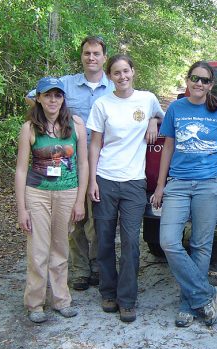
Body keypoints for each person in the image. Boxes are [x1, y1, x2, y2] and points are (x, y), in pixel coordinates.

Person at [150, 61, 217, 328]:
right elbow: (167, 148)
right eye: (194, 79)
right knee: (169, 241)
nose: (199, 84)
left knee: (201, 245)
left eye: (205, 80)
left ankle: (189, 304)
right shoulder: (176, 108)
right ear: (187, 80)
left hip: (210, 183)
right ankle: (206, 293)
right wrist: (160, 185)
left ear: (211, 84)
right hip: (178, 183)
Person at [26, 36, 115, 291]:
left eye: (96, 53)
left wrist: (153, 119)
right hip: (68, 161)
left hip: (103, 162)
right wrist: (53, 121)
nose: (91, 58)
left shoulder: (113, 87)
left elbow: (137, 107)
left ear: (104, 57)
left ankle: (98, 264)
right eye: (87, 53)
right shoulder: (65, 84)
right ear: (82, 56)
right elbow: (32, 96)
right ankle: (79, 269)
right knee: (75, 216)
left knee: (98, 217)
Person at [87, 55, 165, 323]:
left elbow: (162, 117)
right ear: (110, 77)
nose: (122, 77)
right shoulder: (102, 104)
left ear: (134, 71)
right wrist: (91, 181)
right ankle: (108, 292)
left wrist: (154, 120)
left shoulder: (147, 99)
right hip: (105, 179)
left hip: (134, 182)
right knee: (105, 240)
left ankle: (127, 299)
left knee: (131, 244)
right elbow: (95, 144)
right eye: (116, 73)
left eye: (126, 71)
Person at [15, 77, 89, 323]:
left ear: (63, 98)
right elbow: (21, 170)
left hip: (67, 192)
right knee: (38, 250)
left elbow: (83, 163)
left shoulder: (76, 124)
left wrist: (80, 200)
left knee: (61, 248)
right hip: (37, 193)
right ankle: (35, 303)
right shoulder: (29, 128)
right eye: (48, 95)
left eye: (58, 95)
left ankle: (61, 300)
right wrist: (21, 209)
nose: (53, 100)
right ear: (38, 98)